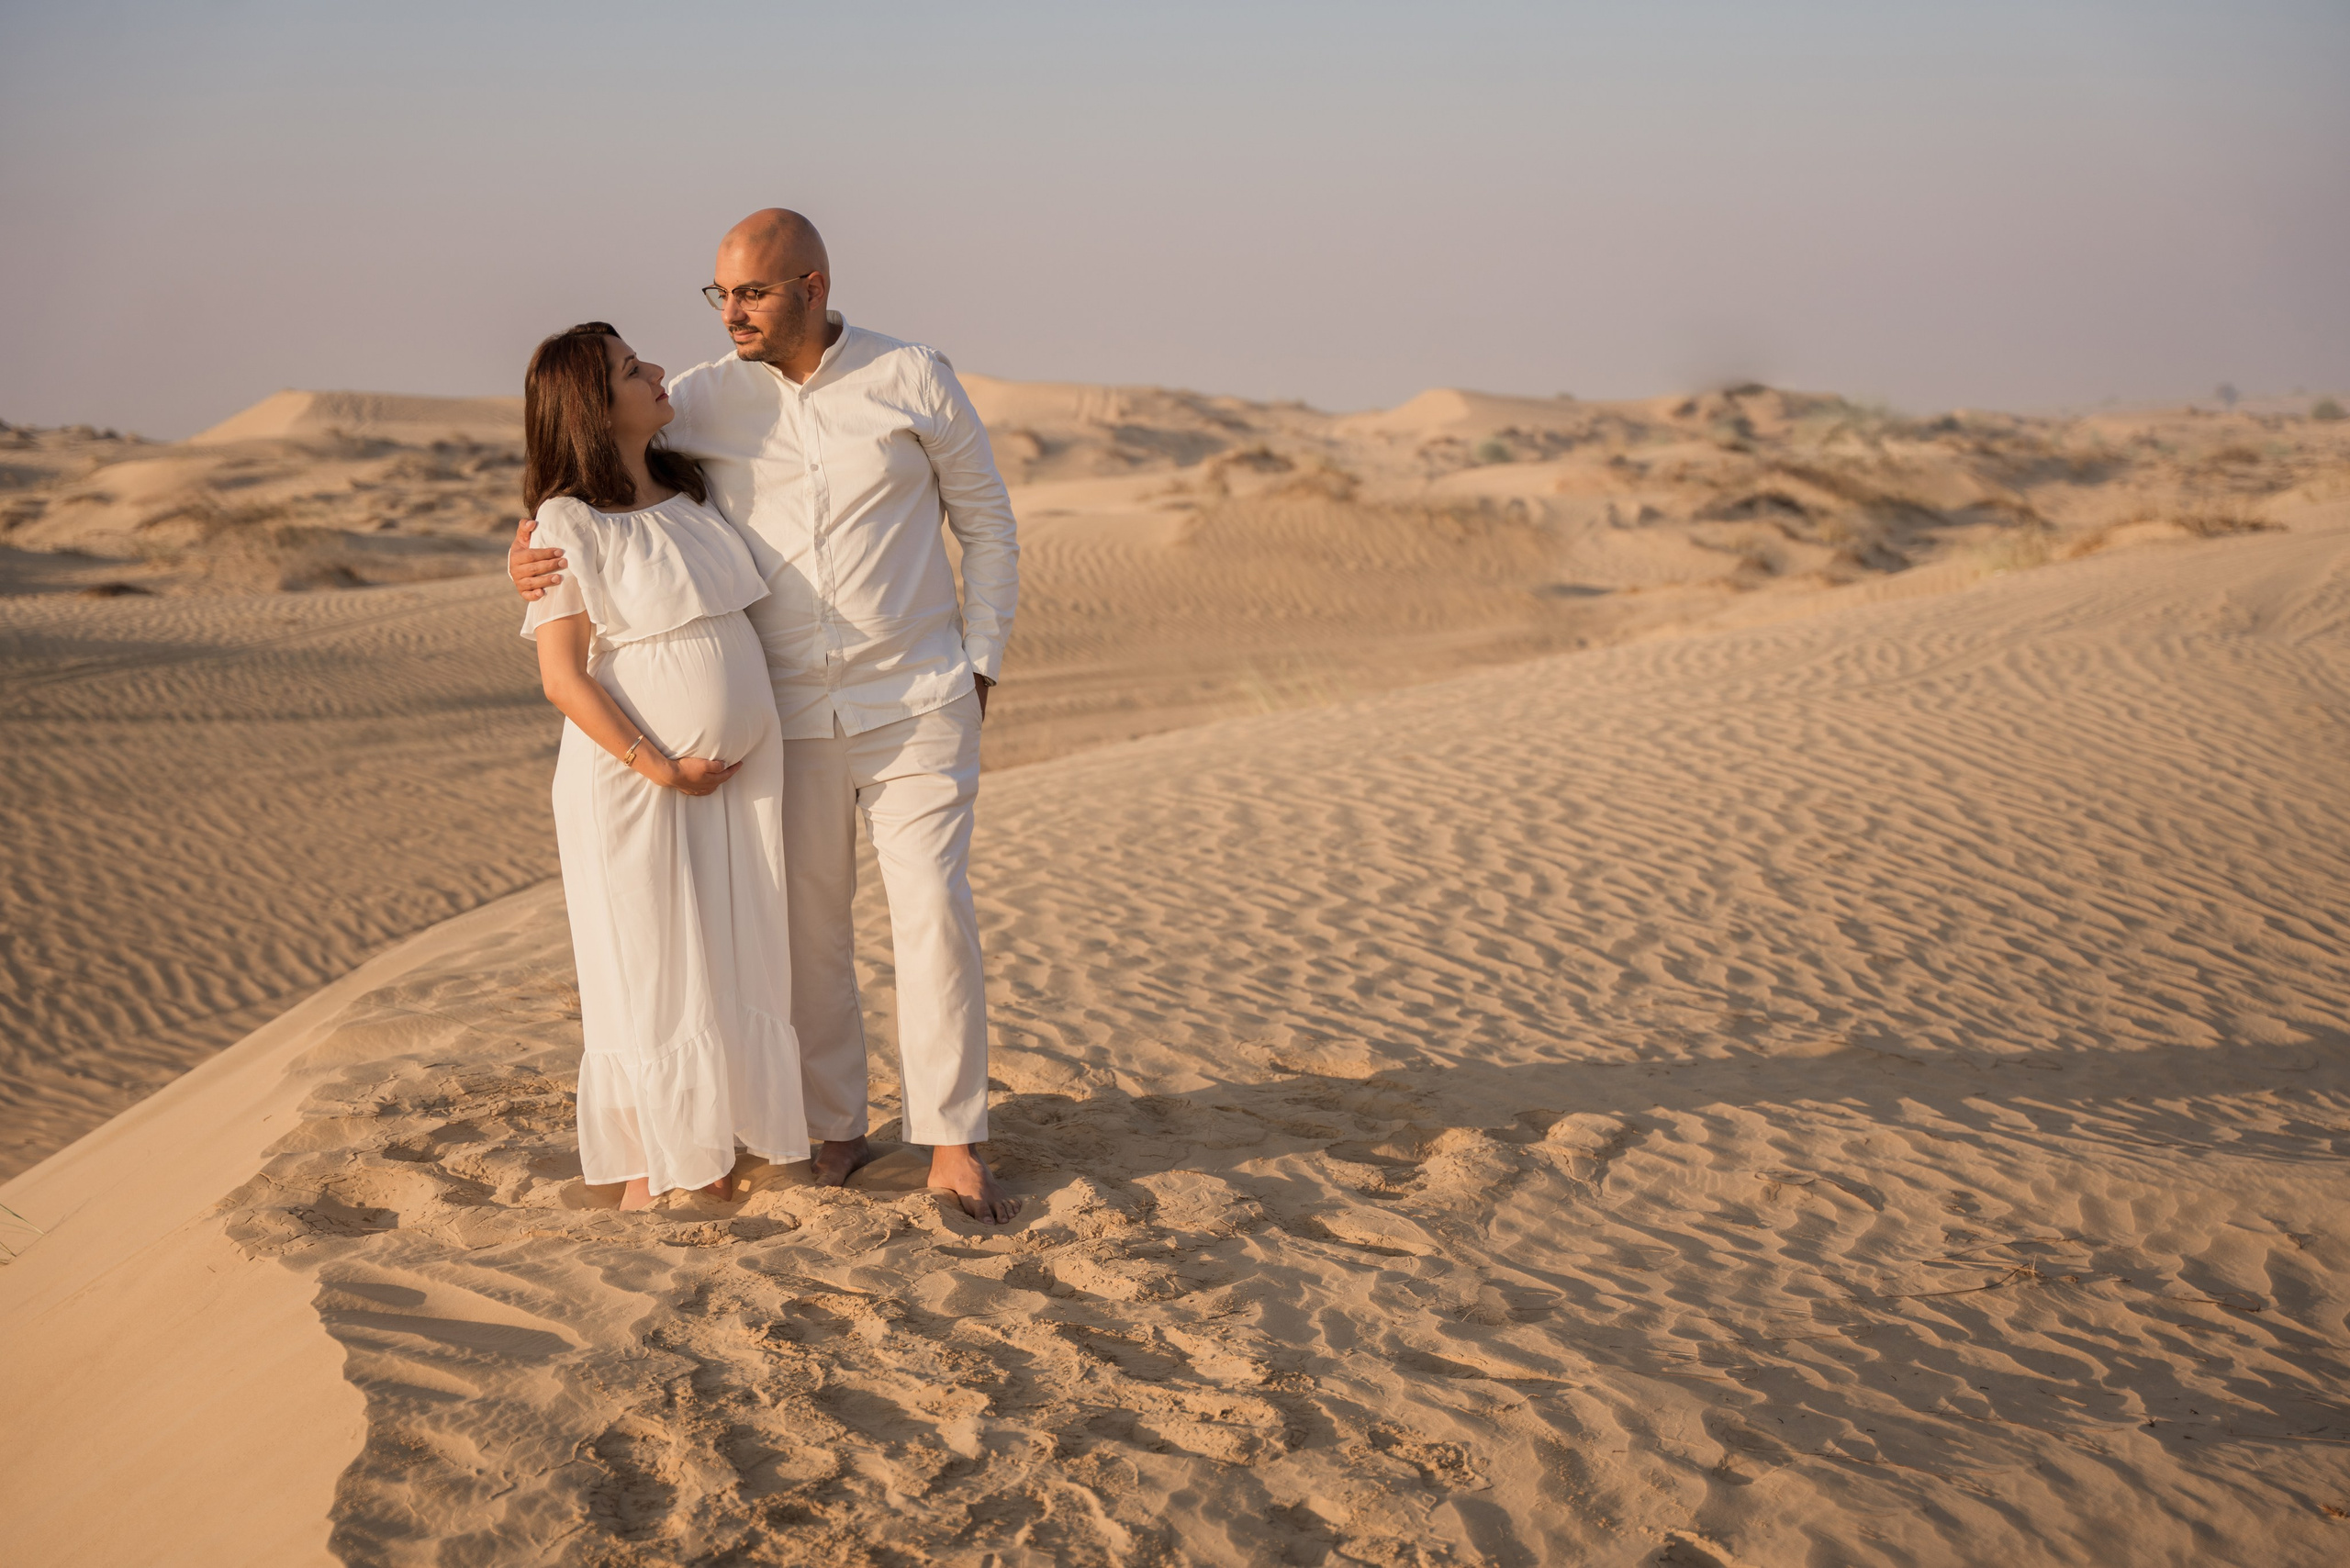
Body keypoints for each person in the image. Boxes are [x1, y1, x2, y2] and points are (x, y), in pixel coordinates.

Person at [511, 209, 1023, 1224]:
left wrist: (980, 665)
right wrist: (524, 549)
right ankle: (837, 1125)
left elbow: (988, 520)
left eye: (749, 293)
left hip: (918, 698)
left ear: (812, 287)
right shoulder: (698, 398)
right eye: (720, 294)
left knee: (931, 915)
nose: (729, 313)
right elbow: (591, 474)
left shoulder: (913, 375)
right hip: (789, 716)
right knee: (808, 935)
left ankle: (954, 1139)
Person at [520, 321, 808, 1212]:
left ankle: (711, 1139)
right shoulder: (565, 524)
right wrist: (661, 767)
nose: (653, 372)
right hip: (634, 781)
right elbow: (563, 678)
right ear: (590, 406)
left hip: (728, 778)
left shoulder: (689, 487)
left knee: (728, 949)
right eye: (628, 369)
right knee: (649, 961)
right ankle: (661, 1162)